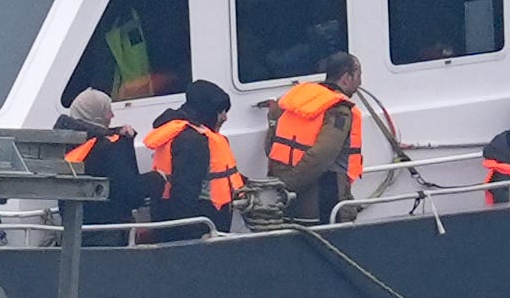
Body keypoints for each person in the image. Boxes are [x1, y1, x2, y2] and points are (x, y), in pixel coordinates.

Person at [265, 52, 363, 226]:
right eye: (358, 76)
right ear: (346, 77)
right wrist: (290, 185)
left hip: (287, 201)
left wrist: (282, 187)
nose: (360, 83)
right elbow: (321, 157)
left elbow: (271, 147)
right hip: (321, 203)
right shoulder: (338, 110)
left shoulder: (298, 99)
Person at [58, 89, 165, 245]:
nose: (112, 116)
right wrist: (157, 178)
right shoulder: (107, 148)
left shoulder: (63, 144)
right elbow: (131, 193)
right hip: (106, 236)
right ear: (97, 115)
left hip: (74, 235)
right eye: (108, 111)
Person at [146, 80, 244, 239]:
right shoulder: (193, 141)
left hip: (172, 223)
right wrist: (193, 236)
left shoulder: (180, 131)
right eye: (221, 112)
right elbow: (185, 194)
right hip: (198, 233)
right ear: (208, 112)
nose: (225, 117)